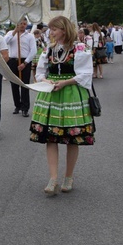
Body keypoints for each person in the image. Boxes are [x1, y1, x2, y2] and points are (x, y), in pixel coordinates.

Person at [30, 15, 95, 196]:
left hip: (71, 93)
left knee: (71, 136)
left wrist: (64, 83)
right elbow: (40, 71)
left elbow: (85, 74)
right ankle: (53, 178)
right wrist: (46, 80)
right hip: (51, 94)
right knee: (51, 136)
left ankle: (68, 176)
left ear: (64, 30)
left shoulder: (80, 49)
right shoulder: (48, 49)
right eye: (51, 29)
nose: (51, 32)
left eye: (54, 29)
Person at [4, 18, 37, 117]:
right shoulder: (11, 33)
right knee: (14, 84)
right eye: (21, 23)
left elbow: (33, 50)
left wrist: (25, 63)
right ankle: (17, 105)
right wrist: (15, 31)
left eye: (24, 23)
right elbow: (5, 42)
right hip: (13, 60)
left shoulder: (30, 36)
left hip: (24, 61)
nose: (23, 25)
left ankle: (25, 108)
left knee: (24, 84)